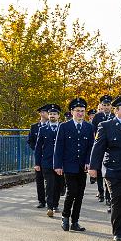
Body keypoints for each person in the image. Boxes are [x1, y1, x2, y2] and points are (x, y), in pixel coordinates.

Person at [89, 94, 121, 241]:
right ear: (116, 110)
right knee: (119, 200)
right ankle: (117, 231)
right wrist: (93, 167)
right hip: (114, 171)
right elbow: (98, 148)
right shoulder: (106, 126)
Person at [53, 97, 94, 232]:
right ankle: (65, 217)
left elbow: (90, 147)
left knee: (80, 194)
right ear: (72, 112)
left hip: (82, 166)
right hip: (69, 165)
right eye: (77, 111)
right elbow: (58, 147)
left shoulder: (89, 127)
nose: (80, 113)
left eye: (82, 111)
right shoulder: (64, 127)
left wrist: (89, 162)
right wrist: (57, 165)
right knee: (72, 192)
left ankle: (75, 221)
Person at [34, 104, 64, 217]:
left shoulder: (63, 128)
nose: (52, 116)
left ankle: (55, 204)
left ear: (58, 116)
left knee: (58, 184)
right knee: (49, 184)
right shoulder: (43, 129)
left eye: (54, 114)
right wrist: (37, 163)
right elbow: (38, 148)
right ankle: (50, 206)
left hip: (60, 163)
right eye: (51, 114)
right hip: (46, 162)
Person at [91, 95, 115, 206]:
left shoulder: (115, 116)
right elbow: (94, 132)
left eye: (108, 105)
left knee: (108, 173)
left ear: (111, 106)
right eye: (104, 105)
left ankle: (108, 195)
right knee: (100, 172)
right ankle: (101, 192)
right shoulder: (97, 117)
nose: (106, 107)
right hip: (101, 146)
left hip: (111, 147)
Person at [27, 105, 49, 208]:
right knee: (39, 179)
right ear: (40, 113)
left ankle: (51, 200)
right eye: (45, 112)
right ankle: (41, 200)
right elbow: (30, 140)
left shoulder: (53, 126)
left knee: (50, 180)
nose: (47, 114)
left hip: (50, 156)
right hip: (39, 157)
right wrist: (36, 149)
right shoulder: (34, 127)